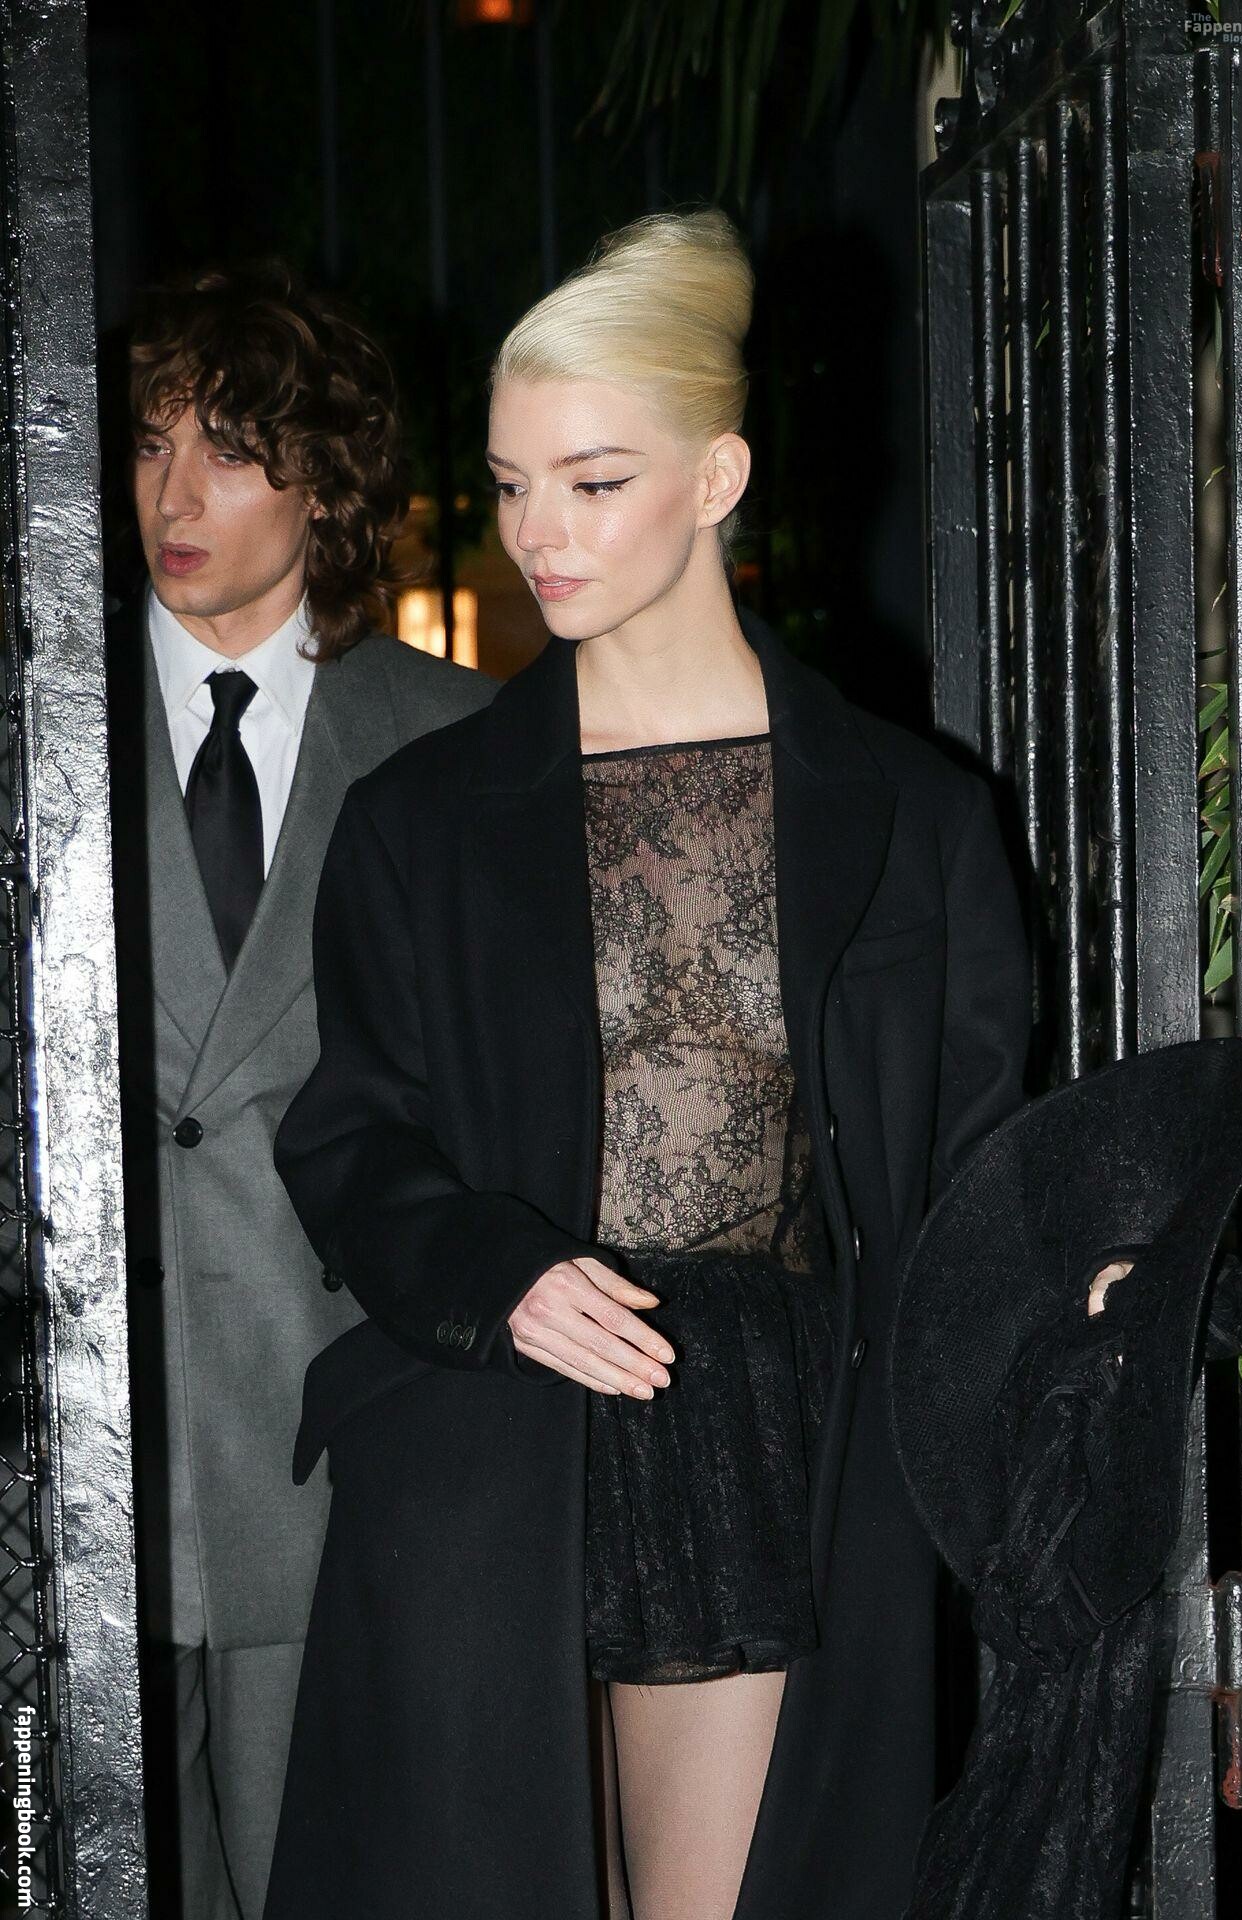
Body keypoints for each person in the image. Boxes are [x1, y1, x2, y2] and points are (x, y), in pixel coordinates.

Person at [264, 211, 1031, 1920]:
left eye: (592, 481)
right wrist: (499, 1274)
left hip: (774, 1445)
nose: (536, 532)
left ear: (716, 476)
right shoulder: (421, 823)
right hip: (491, 1450)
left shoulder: (914, 815)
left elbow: (980, 1170)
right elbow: (350, 1140)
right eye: (509, 483)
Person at [105, 263, 491, 1920]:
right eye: (149, 444)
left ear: (326, 486)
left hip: (346, 1452)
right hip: (81, 1447)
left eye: (229, 449)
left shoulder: (454, 741)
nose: (173, 494)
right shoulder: (41, 720)